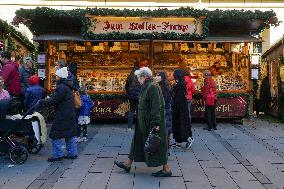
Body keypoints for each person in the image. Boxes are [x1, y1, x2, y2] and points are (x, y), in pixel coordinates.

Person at [114, 67, 172, 177]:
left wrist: (156, 123)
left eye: (139, 78)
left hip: (151, 122)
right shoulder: (147, 86)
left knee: (157, 145)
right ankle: (128, 164)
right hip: (143, 121)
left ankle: (166, 169)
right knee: (137, 142)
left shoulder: (152, 87)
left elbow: (156, 105)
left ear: (144, 77)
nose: (138, 80)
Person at [38, 67, 77, 162]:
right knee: (70, 134)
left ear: (60, 76)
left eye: (57, 75)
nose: (56, 77)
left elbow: (55, 100)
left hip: (62, 114)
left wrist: (42, 101)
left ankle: (57, 155)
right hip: (69, 113)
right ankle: (72, 153)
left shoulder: (61, 87)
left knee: (55, 134)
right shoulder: (68, 85)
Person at [125, 58, 149, 131]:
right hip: (139, 95)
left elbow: (126, 85)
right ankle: (139, 126)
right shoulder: (143, 75)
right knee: (139, 110)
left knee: (131, 110)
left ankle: (129, 127)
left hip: (131, 96)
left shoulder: (131, 75)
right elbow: (145, 85)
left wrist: (128, 93)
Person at [171, 69, 192, 149]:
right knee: (178, 124)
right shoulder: (180, 84)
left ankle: (188, 138)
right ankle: (177, 141)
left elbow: (177, 98)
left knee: (181, 124)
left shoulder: (180, 85)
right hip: (179, 108)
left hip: (180, 109)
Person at [155, 71, 172, 152]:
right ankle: (165, 148)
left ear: (162, 78)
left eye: (158, 76)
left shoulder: (163, 87)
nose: (156, 77)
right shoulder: (165, 86)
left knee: (164, 130)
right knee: (165, 130)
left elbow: (163, 100)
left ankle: (164, 149)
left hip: (164, 111)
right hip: (166, 110)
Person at [184, 73, 195, 140]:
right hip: (189, 97)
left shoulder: (181, 80)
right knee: (188, 111)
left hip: (183, 98)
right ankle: (189, 124)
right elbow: (193, 90)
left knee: (183, 111)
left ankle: (184, 123)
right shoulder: (190, 81)